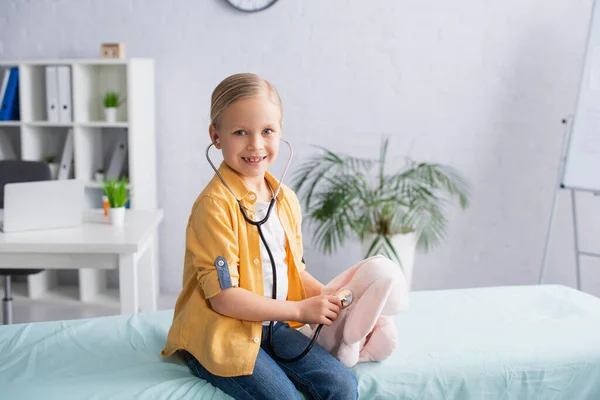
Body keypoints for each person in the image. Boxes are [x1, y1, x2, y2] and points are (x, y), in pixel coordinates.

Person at [161, 73, 359, 400]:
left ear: (280, 132)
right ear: (216, 136)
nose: (255, 145)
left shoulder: (286, 200)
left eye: (267, 131)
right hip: (219, 333)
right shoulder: (214, 207)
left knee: (342, 386)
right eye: (240, 132)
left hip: (272, 325)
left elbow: (292, 270)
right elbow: (223, 298)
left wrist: (325, 297)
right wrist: (299, 312)